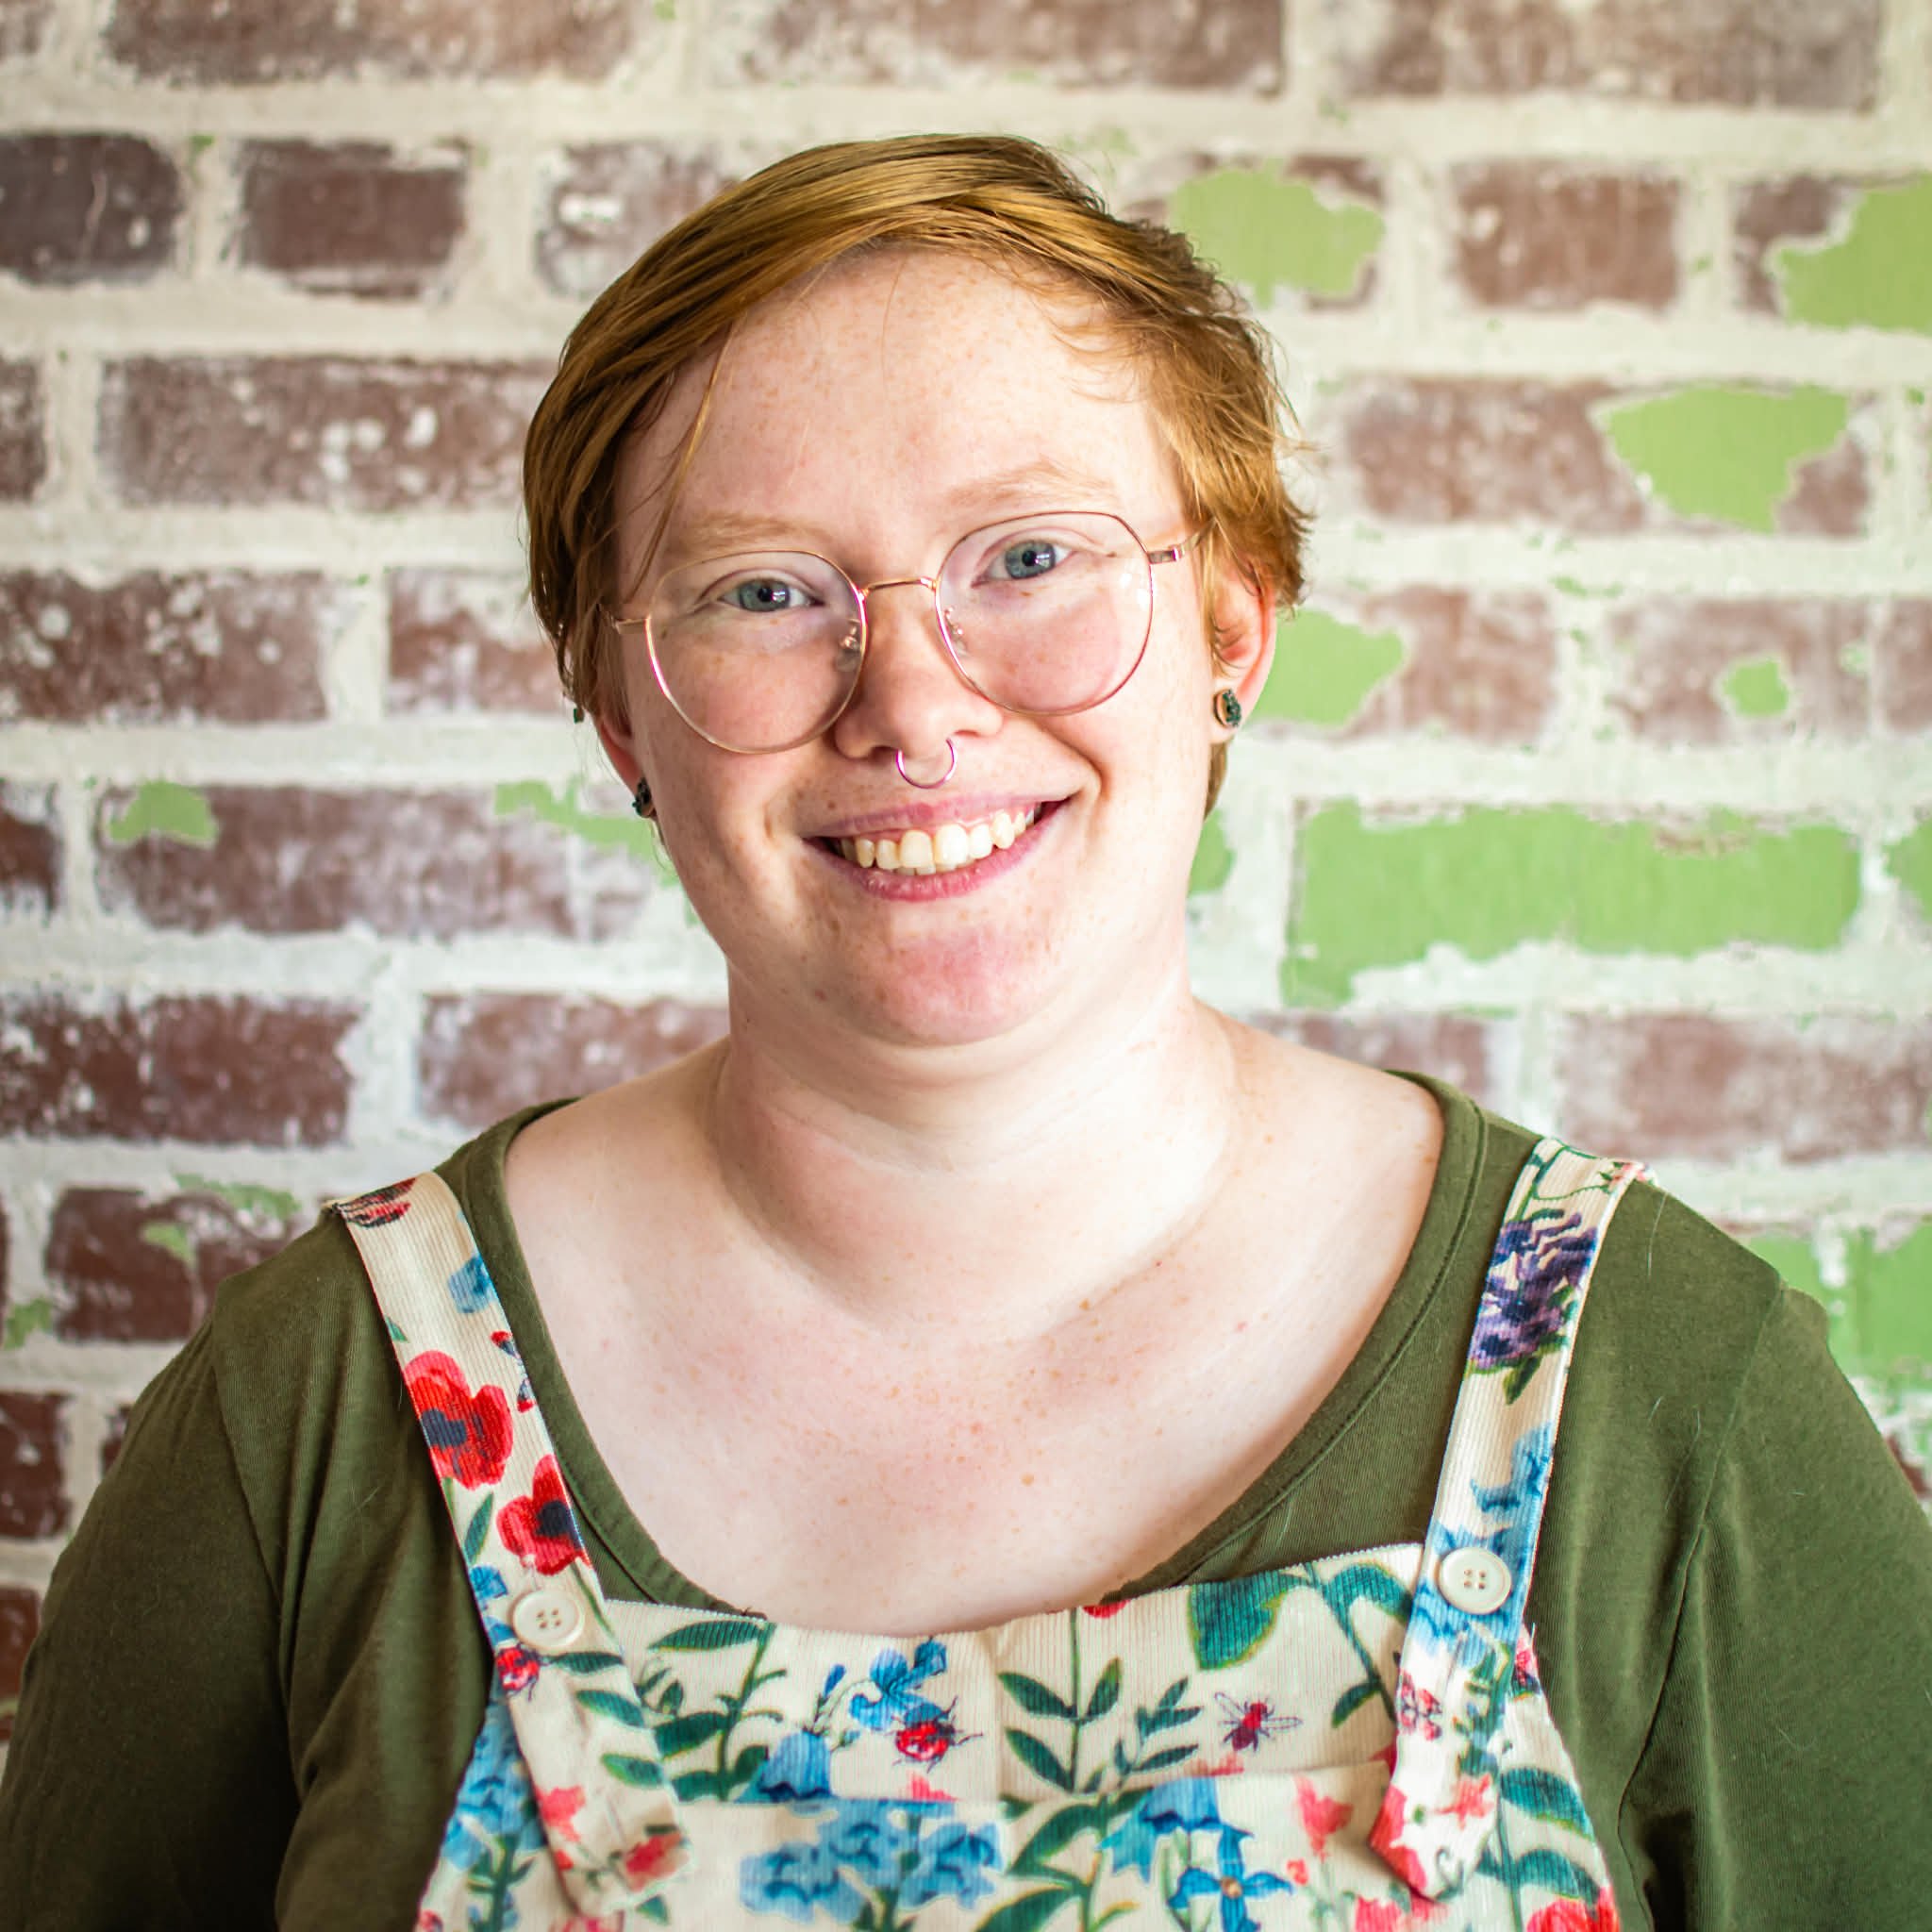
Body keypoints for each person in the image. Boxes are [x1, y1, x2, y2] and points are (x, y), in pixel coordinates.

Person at [1, 134, 1927, 1932]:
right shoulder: (320, 1410)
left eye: (1027, 557)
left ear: (1234, 620)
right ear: (619, 713)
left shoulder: (1661, 1394)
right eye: (766, 591)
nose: (912, 706)